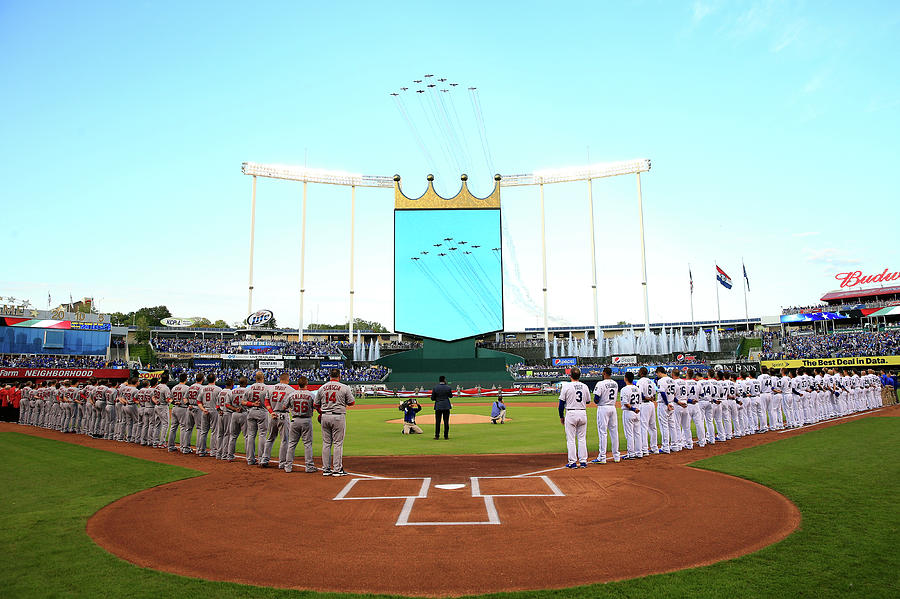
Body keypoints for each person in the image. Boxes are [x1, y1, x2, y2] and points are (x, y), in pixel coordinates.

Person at [315, 368, 355, 476]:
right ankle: (337, 469)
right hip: (338, 416)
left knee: (326, 443)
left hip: (325, 416)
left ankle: (326, 469)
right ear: (339, 376)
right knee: (338, 443)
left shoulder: (322, 387)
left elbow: (315, 404)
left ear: (329, 376)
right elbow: (352, 402)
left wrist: (321, 412)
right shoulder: (344, 387)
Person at [558, 367, 590, 468]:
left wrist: (561, 416)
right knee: (582, 438)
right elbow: (588, 401)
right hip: (582, 412)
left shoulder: (567, 386)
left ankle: (572, 462)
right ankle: (583, 461)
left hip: (571, 413)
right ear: (579, 376)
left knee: (571, 439)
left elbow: (561, 404)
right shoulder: (585, 386)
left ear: (570, 375)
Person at [285, 375, 317, 473]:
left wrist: (292, 408)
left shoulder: (291, 394)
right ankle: (309, 466)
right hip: (306, 420)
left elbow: (284, 406)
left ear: (298, 384)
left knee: (291, 444)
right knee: (307, 444)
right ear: (306, 384)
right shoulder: (311, 395)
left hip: (294, 420)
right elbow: (316, 406)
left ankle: (288, 467)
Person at [262, 373, 293, 469]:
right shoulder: (290, 389)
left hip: (272, 414)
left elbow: (266, 402)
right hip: (283, 415)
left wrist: (271, 412)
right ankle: (282, 463)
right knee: (284, 440)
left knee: (270, 438)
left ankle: (264, 459)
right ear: (287, 380)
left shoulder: (271, 388)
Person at [591, 367, 620, 463]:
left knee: (603, 432)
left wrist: (598, 402)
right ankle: (616, 456)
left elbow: (596, 398)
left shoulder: (600, 383)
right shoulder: (615, 384)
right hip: (612, 407)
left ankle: (602, 457)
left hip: (603, 408)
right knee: (614, 432)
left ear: (604, 373)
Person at [244, 371, 271, 466]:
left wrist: (252, 404)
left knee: (251, 435)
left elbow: (243, 402)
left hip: (251, 412)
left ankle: (250, 459)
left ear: (255, 378)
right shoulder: (267, 388)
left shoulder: (249, 388)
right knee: (262, 435)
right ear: (263, 378)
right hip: (262, 412)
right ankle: (261, 459)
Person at [619, 371, 642, 460]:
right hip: (637, 412)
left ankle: (631, 453)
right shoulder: (637, 388)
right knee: (637, 433)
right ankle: (639, 452)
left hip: (629, 412)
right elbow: (640, 401)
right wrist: (635, 409)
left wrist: (632, 409)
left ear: (626, 378)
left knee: (629, 434)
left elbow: (625, 403)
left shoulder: (625, 389)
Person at [430, 375, 453, 440]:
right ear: (444, 380)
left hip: (438, 406)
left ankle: (437, 436)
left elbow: (432, 398)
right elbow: (451, 396)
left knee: (438, 422)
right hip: (446, 406)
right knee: (446, 421)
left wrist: (437, 399)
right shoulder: (448, 387)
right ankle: (446, 436)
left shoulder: (435, 388)